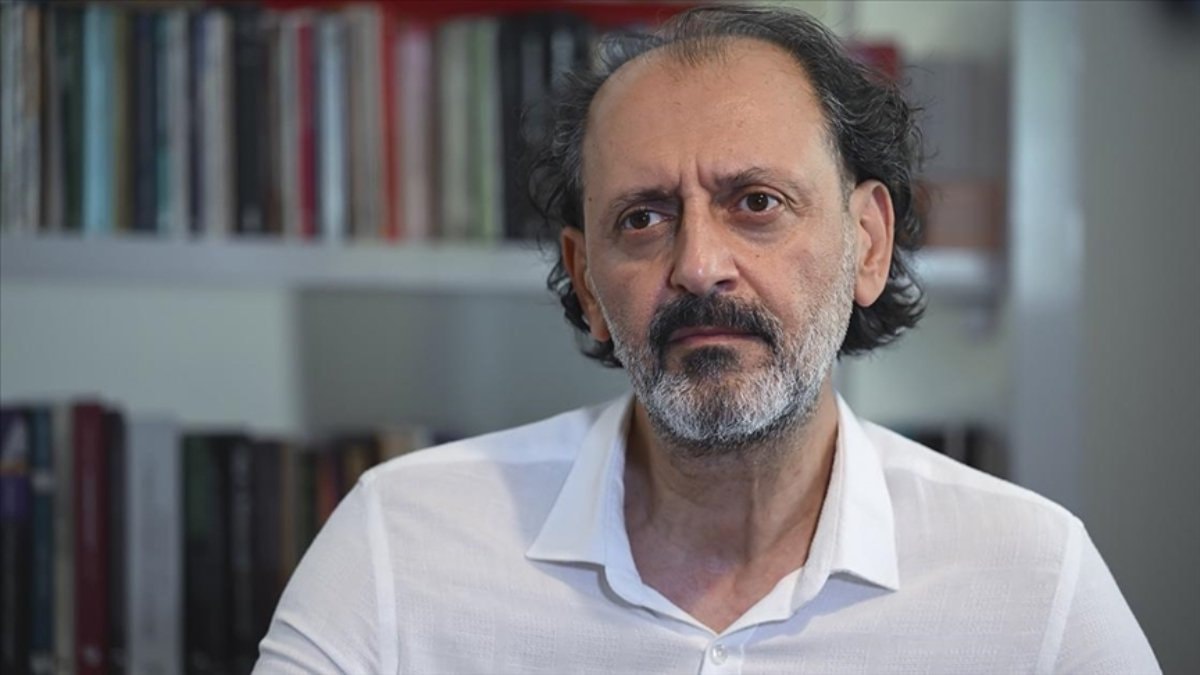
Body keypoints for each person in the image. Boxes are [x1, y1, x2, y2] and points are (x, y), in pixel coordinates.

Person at [255, 6, 1158, 673]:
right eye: (643, 218)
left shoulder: (1033, 581)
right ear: (586, 281)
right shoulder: (400, 544)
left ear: (868, 244)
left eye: (756, 203)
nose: (698, 266)